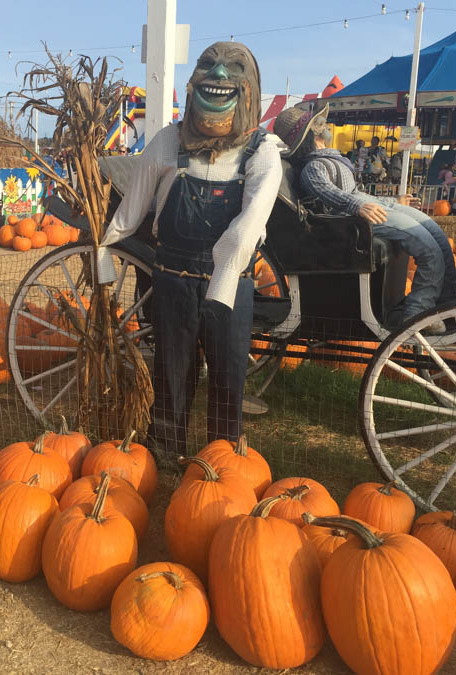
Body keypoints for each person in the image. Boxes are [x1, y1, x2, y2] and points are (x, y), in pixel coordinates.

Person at [97, 41, 284, 463]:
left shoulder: (261, 151)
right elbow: (132, 209)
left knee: (228, 373)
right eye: (208, 64)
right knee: (171, 370)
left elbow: (250, 224)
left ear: (250, 85)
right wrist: (104, 247)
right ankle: (166, 451)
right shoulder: (166, 142)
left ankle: (221, 460)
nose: (218, 75)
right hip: (173, 278)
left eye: (233, 67)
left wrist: (223, 278)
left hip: (232, 283)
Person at [277, 103, 456, 333]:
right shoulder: (313, 167)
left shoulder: (329, 158)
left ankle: (447, 297)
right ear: (312, 134)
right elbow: (329, 192)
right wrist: (356, 205)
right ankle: (417, 310)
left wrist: (393, 201)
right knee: (427, 244)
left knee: (434, 230)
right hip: (350, 222)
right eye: (320, 124)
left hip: (363, 208)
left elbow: (355, 192)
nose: (326, 127)